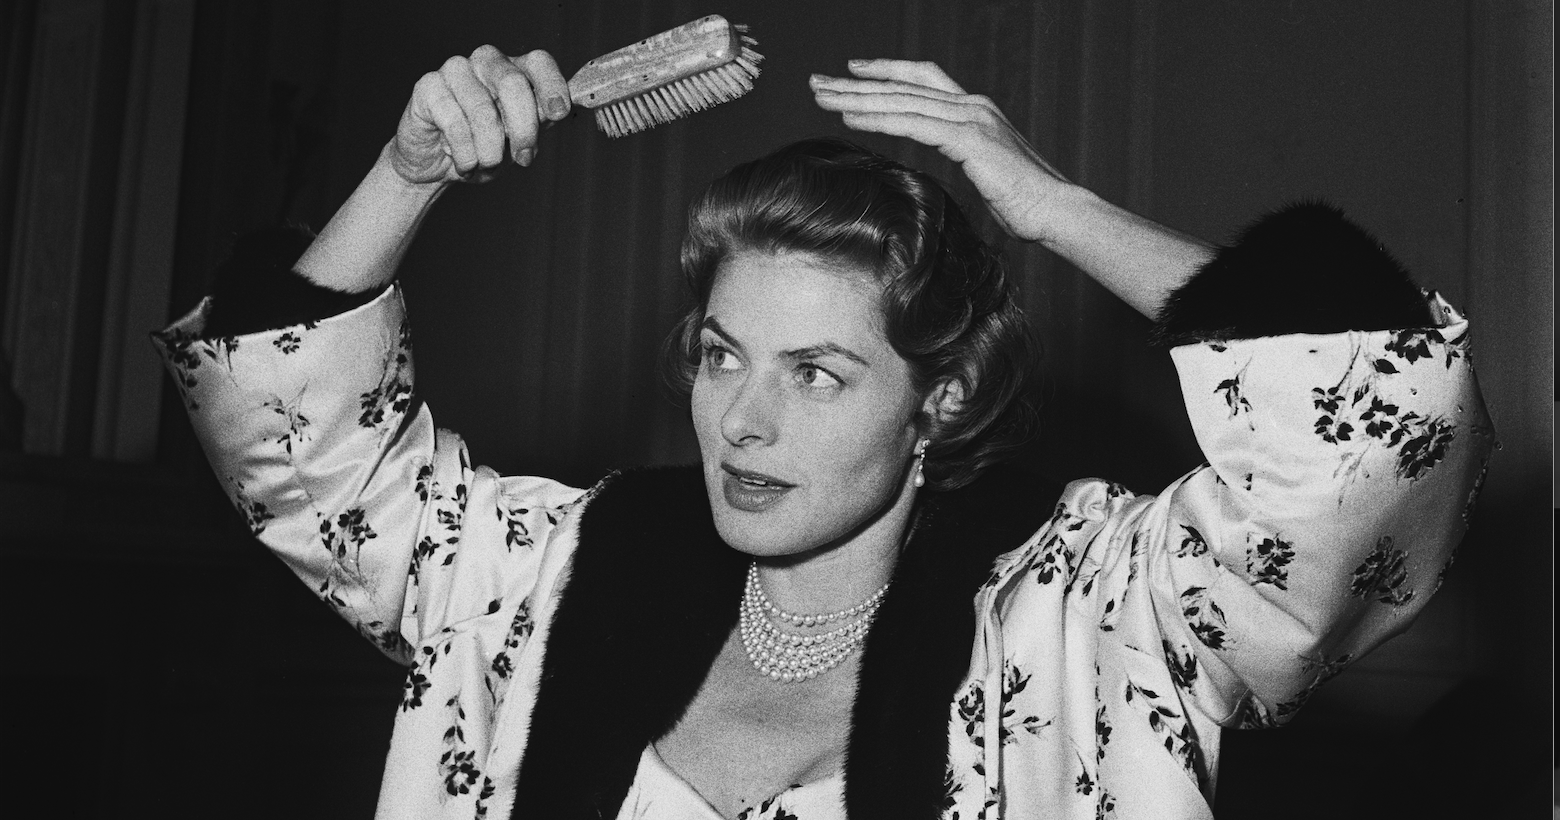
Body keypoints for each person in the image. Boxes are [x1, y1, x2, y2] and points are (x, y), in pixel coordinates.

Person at [154, 44, 1492, 820]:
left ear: (945, 395)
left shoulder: (1093, 615)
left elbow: (1379, 429)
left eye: (820, 373)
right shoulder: (545, 573)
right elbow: (297, 448)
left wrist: (1054, 208)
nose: (743, 417)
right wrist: (407, 173)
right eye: (724, 353)